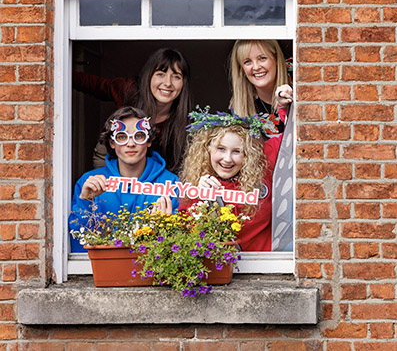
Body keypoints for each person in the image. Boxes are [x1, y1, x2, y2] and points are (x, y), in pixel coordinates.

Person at [69, 107, 179, 253]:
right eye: (122, 137)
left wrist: (165, 226)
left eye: (139, 136)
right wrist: (84, 201)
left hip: (150, 271)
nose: (131, 143)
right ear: (112, 143)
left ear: (149, 141)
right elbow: (78, 242)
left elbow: (178, 245)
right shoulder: (89, 182)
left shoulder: (170, 183)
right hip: (103, 271)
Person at [74, 48, 194, 171]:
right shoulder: (129, 91)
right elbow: (93, 84)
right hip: (110, 166)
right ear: (149, 76)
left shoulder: (185, 123)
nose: (168, 83)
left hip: (153, 180)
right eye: (160, 74)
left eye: (176, 77)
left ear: (184, 83)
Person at [178, 109, 282, 251]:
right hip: (219, 269)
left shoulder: (262, 165)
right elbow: (187, 236)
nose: (227, 159)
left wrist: (284, 105)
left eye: (236, 151)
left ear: (248, 153)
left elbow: (294, 135)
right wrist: (200, 199)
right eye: (221, 149)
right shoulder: (196, 183)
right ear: (207, 149)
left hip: (263, 266)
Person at [227, 40, 293, 134]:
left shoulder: (298, 78)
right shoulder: (239, 110)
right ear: (242, 69)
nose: (256, 67)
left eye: (262, 58)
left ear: (276, 59)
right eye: (247, 61)